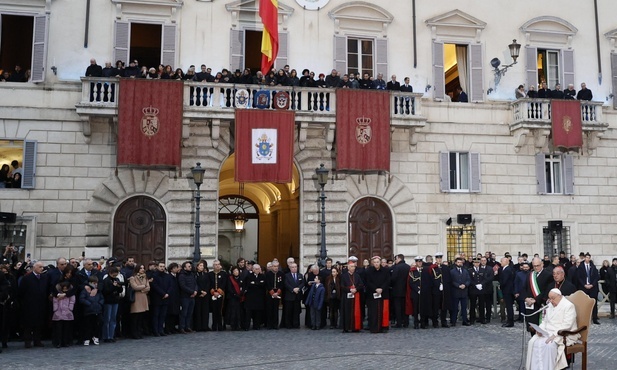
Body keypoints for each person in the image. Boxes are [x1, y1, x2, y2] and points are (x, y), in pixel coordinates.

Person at [525, 289, 580, 370]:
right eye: (549, 298)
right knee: (533, 342)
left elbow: (567, 325)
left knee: (548, 345)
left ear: (560, 296)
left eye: (553, 298)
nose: (551, 301)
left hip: (563, 333)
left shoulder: (568, 306)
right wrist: (540, 329)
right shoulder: (550, 305)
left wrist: (554, 335)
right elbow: (545, 321)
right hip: (547, 332)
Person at [19, 261, 50, 347]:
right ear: (34, 267)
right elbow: (21, 292)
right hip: (29, 304)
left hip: (41, 304)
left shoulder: (44, 278)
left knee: (39, 323)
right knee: (28, 324)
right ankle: (27, 341)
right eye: (40, 267)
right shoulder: (27, 278)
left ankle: (37, 340)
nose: (42, 269)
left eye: (42, 267)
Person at [523, 257, 554, 331]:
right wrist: (526, 298)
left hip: (541, 305)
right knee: (532, 328)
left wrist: (536, 299)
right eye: (534, 266)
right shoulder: (530, 275)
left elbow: (547, 290)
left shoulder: (548, 275)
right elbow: (524, 288)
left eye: (538, 265)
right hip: (530, 305)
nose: (536, 267)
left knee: (541, 329)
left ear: (542, 264)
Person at [365, 256, 390, 333]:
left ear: (380, 263)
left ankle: (383, 327)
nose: (376, 264)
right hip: (372, 293)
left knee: (383, 311)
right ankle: (374, 327)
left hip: (383, 293)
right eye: (375, 262)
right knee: (373, 312)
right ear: (373, 263)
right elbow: (368, 282)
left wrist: (381, 288)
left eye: (377, 262)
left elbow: (388, 280)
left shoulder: (385, 271)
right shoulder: (369, 271)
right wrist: (375, 289)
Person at [340, 261, 364, 333]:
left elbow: (361, 284)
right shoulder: (344, 276)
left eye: (354, 267)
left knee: (355, 312)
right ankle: (346, 327)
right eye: (351, 267)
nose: (353, 268)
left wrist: (356, 289)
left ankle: (355, 327)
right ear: (348, 267)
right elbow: (342, 286)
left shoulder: (357, 275)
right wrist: (349, 289)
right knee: (346, 312)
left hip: (355, 296)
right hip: (347, 297)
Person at [79, 275, 103, 346]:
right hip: (88, 311)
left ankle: (95, 337)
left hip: (97, 310)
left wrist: (99, 304)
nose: (95, 284)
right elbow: (82, 299)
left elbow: (102, 298)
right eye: (94, 283)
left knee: (97, 325)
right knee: (88, 326)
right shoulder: (85, 290)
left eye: (96, 283)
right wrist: (89, 304)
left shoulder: (98, 291)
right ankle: (87, 338)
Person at [101, 266, 123, 343]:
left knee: (113, 319)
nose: (115, 276)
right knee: (107, 319)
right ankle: (106, 336)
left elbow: (120, 290)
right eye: (113, 275)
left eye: (116, 275)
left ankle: (111, 335)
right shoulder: (106, 280)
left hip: (115, 301)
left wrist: (118, 286)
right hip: (108, 301)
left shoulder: (116, 280)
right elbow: (106, 291)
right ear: (110, 273)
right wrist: (113, 286)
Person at [577, 253, 600, 324]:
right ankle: (585, 318)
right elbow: (579, 277)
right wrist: (584, 285)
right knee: (584, 304)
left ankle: (595, 318)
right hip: (584, 287)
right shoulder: (580, 266)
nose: (588, 259)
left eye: (589, 258)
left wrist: (592, 284)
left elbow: (597, 277)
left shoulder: (593, 266)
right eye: (586, 257)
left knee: (594, 303)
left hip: (592, 287)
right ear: (584, 258)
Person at [149, 261, 171, 336]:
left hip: (166, 298)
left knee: (163, 315)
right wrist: (163, 293)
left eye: (163, 266)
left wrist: (167, 293)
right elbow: (155, 286)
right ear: (157, 267)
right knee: (156, 315)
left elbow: (170, 286)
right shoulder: (154, 275)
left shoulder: (167, 276)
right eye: (160, 266)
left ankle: (161, 329)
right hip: (157, 298)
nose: (162, 268)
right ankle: (155, 331)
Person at [129, 264, 150, 339]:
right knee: (135, 317)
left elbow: (148, 287)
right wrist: (143, 287)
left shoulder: (145, 277)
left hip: (143, 298)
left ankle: (139, 332)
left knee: (141, 317)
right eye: (141, 268)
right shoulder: (133, 278)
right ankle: (134, 333)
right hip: (136, 298)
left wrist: (142, 288)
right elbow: (134, 287)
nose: (142, 269)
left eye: (143, 268)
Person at [52, 280, 75, 348]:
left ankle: (65, 342)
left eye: (66, 288)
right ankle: (58, 342)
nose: (65, 289)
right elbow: (55, 301)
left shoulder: (70, 294)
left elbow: (72, 301)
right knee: (58, 329)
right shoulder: (57, 294)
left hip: (67, 313)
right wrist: (55, 309)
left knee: (66, 329)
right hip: (58, 313)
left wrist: (70, 308)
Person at [243, 263, 266, 330]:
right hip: (250, 298)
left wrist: (255, 283)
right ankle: (246, 326)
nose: (258, 270)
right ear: (253, 269)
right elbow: (249, 285)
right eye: (256, 269)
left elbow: (263, 284)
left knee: (258, 313)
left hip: (259, 298)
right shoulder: (248, 276)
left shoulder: (262, 276)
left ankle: (257, 325)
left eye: (259, 269)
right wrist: (258, 284)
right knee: (248, 313)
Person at [390, 254, 410, 328]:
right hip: (406, 290)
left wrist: (391, 285)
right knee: (405, 307)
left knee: (398, 308)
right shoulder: (408, 267)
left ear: (398, 259)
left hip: (397, 290)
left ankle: (399, 323)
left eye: (396, 259)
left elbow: (393, 278)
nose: (395, 261)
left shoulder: (396, 267)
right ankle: (406, 322)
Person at [450, 257, 471, 326]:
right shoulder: (452, 271)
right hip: (456, 291)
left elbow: (468, 279)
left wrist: (465, 285)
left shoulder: (465, 271)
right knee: (455, 308)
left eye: (461, 262)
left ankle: (464, 321)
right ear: (456, 263)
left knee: (464, 308)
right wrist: (458, 285)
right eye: (458, 262)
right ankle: (453, 321)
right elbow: (452, 281)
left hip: (464, 291)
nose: (459, 264)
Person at [283, 262, 304, 329]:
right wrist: (292, 289)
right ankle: (288, 324)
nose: (294, 268)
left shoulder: (300, 275)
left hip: (297, 296)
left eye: (295, 267)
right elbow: (286, 284)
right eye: (293, 267)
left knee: (296, 311)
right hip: (289, 296)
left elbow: (303, 283)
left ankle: (296, 324)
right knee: (289, 311)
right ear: (290, 268)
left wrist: (299, 288)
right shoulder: (286, 275)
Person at [209, 260, 228, 331]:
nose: (217, 266)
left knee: (220, 310)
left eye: (218, 264)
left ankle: (220, 325)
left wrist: (219, 292)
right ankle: (214, 325)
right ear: (213, 266)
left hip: (221, 294)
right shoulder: (210, 274)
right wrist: (213, 292)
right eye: (215, 265)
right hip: (213, 294)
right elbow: (209, 283)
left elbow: (224, 283)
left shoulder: (223, 274)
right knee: (214, 310)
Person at [177, 261, 196, 333]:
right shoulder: (181, 275)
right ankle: (181, 327)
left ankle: (188, 326)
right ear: (184, 267)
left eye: (190, 266)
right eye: (189, 266)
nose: (190, 267)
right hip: (185, 297)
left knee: (190, 313)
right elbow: (183, 286)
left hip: (192, 296)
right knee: (184, 313)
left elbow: (195, 283)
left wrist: (195, 291)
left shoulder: (192, 274)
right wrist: (192, 292)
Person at [265, 260, 283, 329]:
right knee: (269, 309)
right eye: (274, 266)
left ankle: (275, 324)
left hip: (277, 292)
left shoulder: (281, 274)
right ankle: (269, 324)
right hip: (270, 293)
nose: (276, 268)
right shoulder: (268, 274)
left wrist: (278, 292)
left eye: (277, 266)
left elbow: (282, 283)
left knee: (276, 309)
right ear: (272, 267)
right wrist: (271, 292)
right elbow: (267, 283)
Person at [192, 260, 210, 332]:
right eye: (200, 266)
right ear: (197, 267)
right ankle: (198, 326)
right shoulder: (195, 275)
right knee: (198, 311)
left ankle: (205, 326)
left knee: (205, 311)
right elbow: (195, 284)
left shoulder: (205, 275)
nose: (202, 267)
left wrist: (205, 291)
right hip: (198, 295)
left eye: (203, 266)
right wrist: (200, 291)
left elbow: (208, 283)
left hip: (205, 295)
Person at [226, 266, 244, 330]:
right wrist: (234, 294)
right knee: (233, 311)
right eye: (235, 271)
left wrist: (241, 293)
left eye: (237, 271)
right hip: (232, 297)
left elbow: (243, 286)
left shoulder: (241, 278)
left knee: (239, 312)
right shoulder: (230, 278)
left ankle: (239, 324)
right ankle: (233, 325)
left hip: (240, 297)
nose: (236, 272)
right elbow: (229, 288)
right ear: (232, 272)